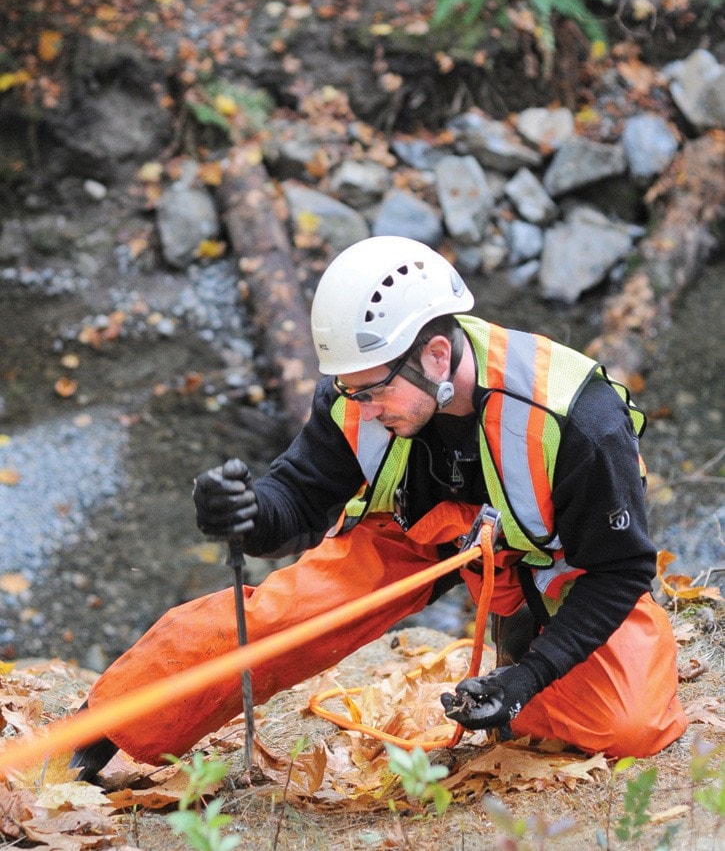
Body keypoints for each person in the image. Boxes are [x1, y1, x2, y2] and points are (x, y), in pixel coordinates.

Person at [70, 236, 686, 781]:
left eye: (374, 391)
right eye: (349, 390)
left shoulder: (577, 421)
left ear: (437, 356)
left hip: (553, 561)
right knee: (285, 617)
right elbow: (296, 501)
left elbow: (621, 571)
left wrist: (525, 680)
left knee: (629, 725)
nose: (361, 409)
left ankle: (522, 651)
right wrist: (247, 512)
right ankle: (105, 725)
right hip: (416, 534)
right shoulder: (355, 393)